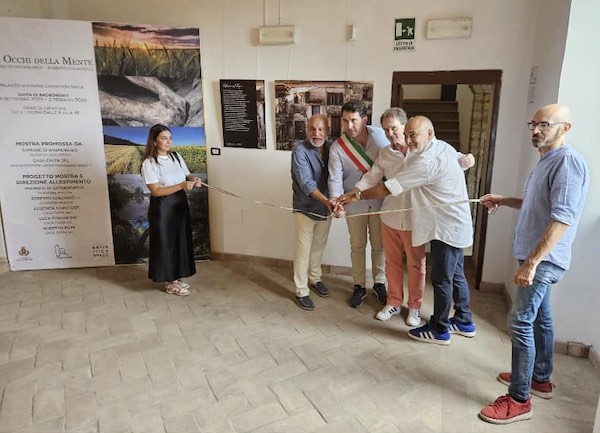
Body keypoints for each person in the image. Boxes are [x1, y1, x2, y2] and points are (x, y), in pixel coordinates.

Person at [479, 104, 589, 424]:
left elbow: (562, 218)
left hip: (542, 259)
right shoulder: (546, 160)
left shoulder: (568, 162)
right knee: (541, 316)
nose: (536, 130)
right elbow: (538, 204)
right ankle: (539, 378)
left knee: (519, 321)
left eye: (544, 125)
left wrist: (531, 263)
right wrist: (504, 199)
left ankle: (519, 398)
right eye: (533, 124)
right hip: (535, 256)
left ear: (565, 128)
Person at [339, 115, 476, 345]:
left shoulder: (424, 160)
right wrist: (350, 194)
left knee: (441, 278)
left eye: (403, 131)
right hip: (413, 220)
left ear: (428, 134)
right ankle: (463, 320)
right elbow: (372, 178)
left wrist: (356, 197)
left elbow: (388, 188)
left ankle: (436, 326)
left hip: (439, 225)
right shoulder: (435, 148)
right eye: (386, 130)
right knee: (453, 274)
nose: (401, 137)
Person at [328, 101, 389, 308]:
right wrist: (337, 203)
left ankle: (380, 283)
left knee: (380, 245)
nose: (349, 126)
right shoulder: (338, 147)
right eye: (345, 121)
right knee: (357, 245)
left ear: (364, 119)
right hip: (354, 203)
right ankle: (359, 285)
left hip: (381, 201)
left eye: (353, 120)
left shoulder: (381, 136)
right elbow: (335, 178)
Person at [141, 124, 202, 296]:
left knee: (180, 240)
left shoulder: (176, 156)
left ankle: (177, 278)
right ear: (154, 141)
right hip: (163, 207)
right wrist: (182, 185)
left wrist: (194, 179)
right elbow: (156, 191)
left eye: (170, 138)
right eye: (164, 138)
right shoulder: (149, 163)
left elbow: (186, 175)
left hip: (179, 204)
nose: (169, 142)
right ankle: (170, 282)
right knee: (166, 243)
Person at [291, 114, 335, 310]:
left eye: (320, 129)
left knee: (319, 246)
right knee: (304, 250)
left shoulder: (332, 146)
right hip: (306, 208)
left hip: (326, 209)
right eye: (312, 129)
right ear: (307, 129)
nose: (316, 134)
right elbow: (306, 183)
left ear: (327, 129)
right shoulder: (299, 150)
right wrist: (328, 201)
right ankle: (301, 290)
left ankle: (315, 278)